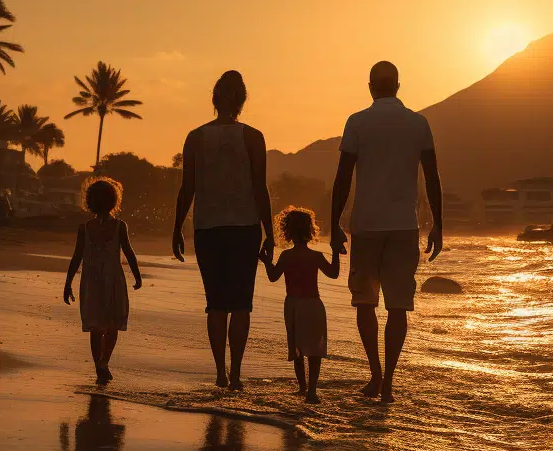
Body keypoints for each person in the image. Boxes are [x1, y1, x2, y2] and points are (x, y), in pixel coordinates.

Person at [330, 61, 442, 404]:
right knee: (398, 306)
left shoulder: (357, 122)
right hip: (404, 226)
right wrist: (439, 224)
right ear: (398, 85)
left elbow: (343, 177)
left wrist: (334, 224)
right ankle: (389, 383)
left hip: (366, 226)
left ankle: (375, 374)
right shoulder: (418, 124)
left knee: (365, 302)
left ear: (370, 87)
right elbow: (433, 177)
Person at [172, 70, 275, 391]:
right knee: (241, 303)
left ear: (214, 99)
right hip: (245, 227)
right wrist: (270, 233)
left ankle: (220, 372)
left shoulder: (196, 137)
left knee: (216, 303)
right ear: (242, 100)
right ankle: (236, 374)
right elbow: (260, 188)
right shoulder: (253, 137)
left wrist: (177, 228)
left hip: (208, 229)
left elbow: (187, 188)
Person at [64, 177, 143, 384]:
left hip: (91, 282)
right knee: (113, 325)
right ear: (114, 201)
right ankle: (104, 362)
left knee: (96, 327)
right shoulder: (119, 226)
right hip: (113, 281)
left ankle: (99, 364)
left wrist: (68, 283)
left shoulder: (85, 228)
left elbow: (76, 258)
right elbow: (129, 253)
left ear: (89, 201)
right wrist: (137, 276)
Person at [260, 206, 339, 404]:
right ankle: (312, 391)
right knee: (315, 349)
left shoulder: (287, 256)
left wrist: (266, 261)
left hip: (293, 305)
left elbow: (272, 277)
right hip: (314, 305)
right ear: (310, 231)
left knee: (297, 349)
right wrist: (336, 252)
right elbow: (334, 273)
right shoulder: (316, 256)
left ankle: (302, 387)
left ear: (287, 231)